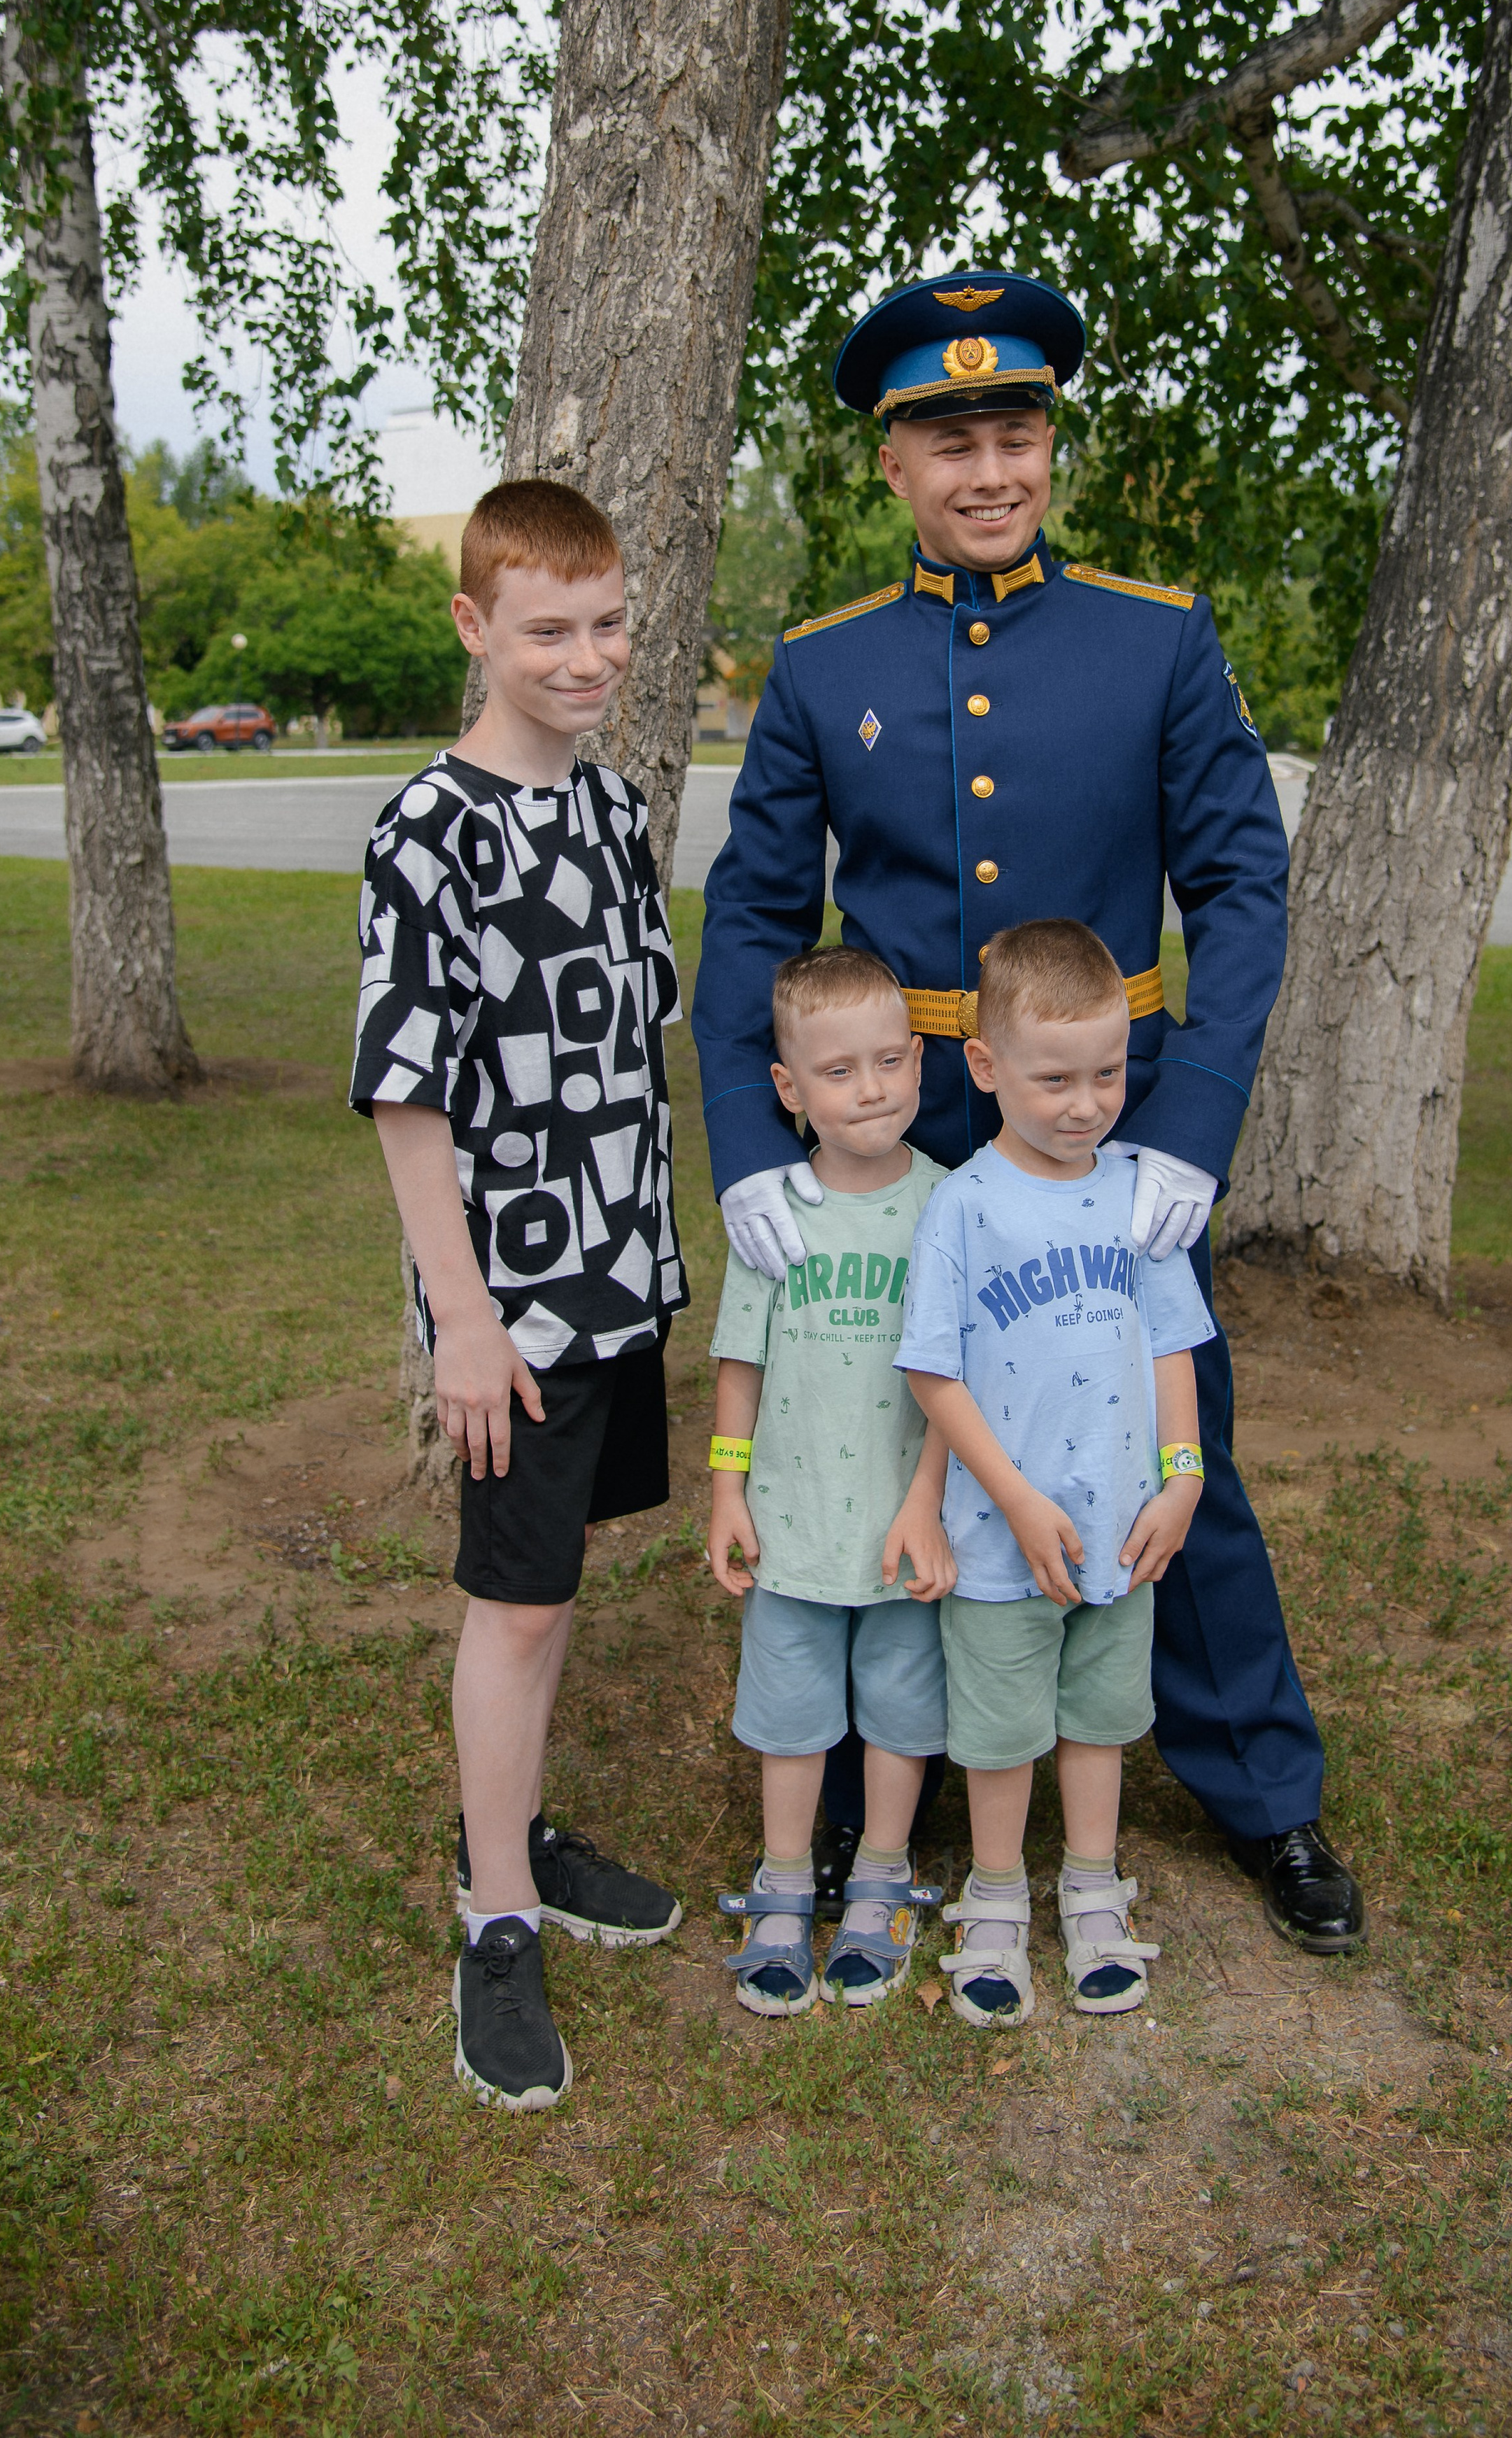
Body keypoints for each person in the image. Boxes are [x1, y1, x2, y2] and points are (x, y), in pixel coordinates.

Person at [692, 267, 1364, 1954]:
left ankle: (1262, 1795)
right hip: (901, 1146)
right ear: (889, 468)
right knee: (872, 1456)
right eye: (947, 442)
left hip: (1101, 1141)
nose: (986, 470)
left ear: (1047, 446)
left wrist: (1190, 1129)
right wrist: (756, 1152)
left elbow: (1240, 882)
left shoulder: (1156, 636)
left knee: (1164, 1450)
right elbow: (753, 918)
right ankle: (867, 1790)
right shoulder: (822, 664)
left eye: (1013, 434)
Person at [352, 477, 685, 2115]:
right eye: (547, 628)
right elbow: (411, 1101)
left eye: (607, 622)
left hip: (618, 1276)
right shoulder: (428, 828)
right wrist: (462, 1321)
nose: (585, 655)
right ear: (477, 629)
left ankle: (516, 1828)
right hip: (515, 1307)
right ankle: (492, 1912)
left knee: (552, 1589)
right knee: (519, 1599)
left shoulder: (613, 813)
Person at [896, 920, 1213, 2022]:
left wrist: (1184, 1475)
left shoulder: (1137, 1194)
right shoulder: (965, 1205)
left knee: (1098, 1720)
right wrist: (1016, 1502)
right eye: (1054, 1080)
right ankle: (993, 1902)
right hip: (1001, 1535)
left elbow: (1172, 1344)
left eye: (1109, 1074)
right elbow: (935, 1375)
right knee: (998, 1730)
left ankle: (1090, 1890)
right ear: (984, 1068)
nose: (1085, 1104)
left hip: (1123, 1528)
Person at [705, 945, 952, 2013]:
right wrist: (725, 1490)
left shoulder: (952, 1204)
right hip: (795, 1522)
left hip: (905, 1524)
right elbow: (739, 1359)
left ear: (921, 1063)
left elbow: (961, 1375)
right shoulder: (774, 1210)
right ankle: (784, 1882)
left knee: (901, 1714)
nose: (873, 1089)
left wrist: (931, 1503)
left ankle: (882, 1879)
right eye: (840, 1071)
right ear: (788, 1088)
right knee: (792, 1717)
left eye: (891, 1061)